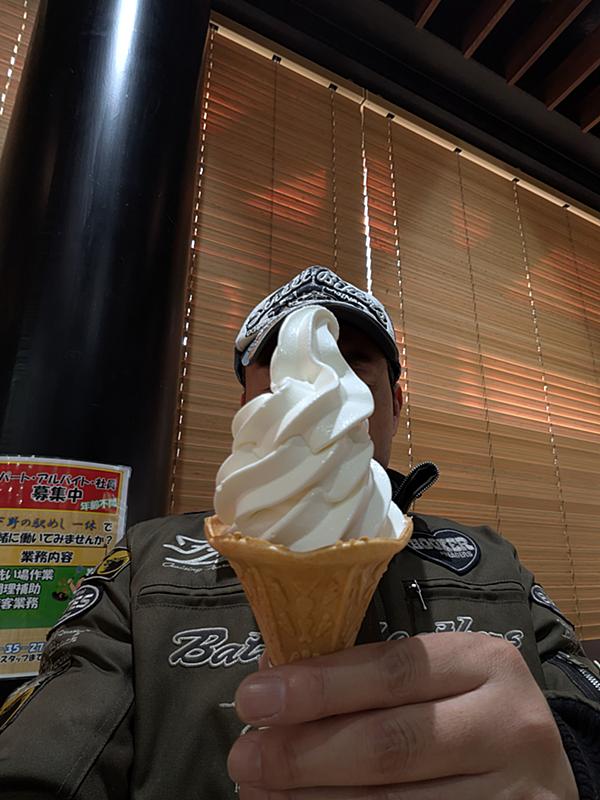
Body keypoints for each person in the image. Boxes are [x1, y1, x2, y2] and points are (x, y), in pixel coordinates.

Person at [0, 266, 598, 799]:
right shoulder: (145, 563)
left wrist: (575, 762)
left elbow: (580, 691)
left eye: (355, 360)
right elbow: (50, 745)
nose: (321, 380)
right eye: (278, 365)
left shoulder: (492, 564)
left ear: (393, 402)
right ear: (246, 405)